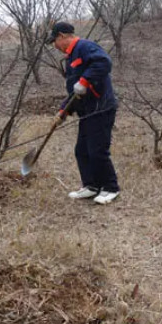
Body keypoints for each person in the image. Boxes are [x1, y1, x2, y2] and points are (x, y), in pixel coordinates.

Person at [46, 22, 120, 204]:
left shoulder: (85, 47)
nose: (54, 46)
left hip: (101, 108)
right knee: (82, 151)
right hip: (87, 111)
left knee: (97, 151)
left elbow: (104, 62)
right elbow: (75, 92)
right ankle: (91, 186)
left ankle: (111, 188)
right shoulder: (71, 57)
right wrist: (63, 111)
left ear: (62, 36)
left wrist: (86, 80)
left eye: (54, 41)